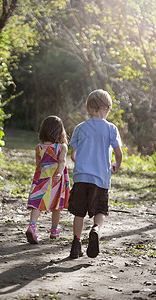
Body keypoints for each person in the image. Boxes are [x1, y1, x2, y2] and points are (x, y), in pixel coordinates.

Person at [68, 89, 123, 259]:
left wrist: (82, 161)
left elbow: (73, 155)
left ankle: (76, 243)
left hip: (81, 177)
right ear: (108, 109)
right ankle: (95, 230)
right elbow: (118, 152)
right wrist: (117, 165)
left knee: (79, 212)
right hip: (101, 178)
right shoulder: (111, 129)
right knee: (100, 210)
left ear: (88, 108)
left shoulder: (80, 128)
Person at [26, 115, 70, 244]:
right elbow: (62, 161)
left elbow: (38, 164)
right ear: (59, 131)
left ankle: (32, 226)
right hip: (57, 179)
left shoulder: (39, 147)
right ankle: (54, 230)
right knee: (57, 205)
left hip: (42, 178)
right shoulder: (61, 147)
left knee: (37, 203)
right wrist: (60, 173)